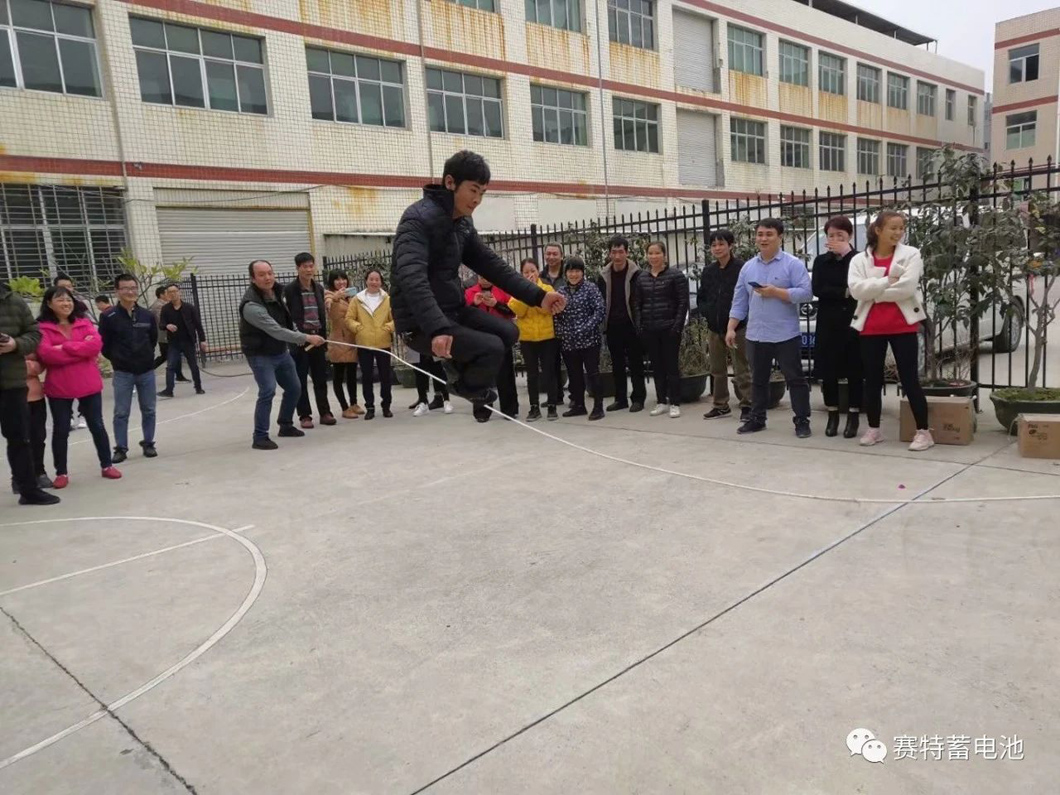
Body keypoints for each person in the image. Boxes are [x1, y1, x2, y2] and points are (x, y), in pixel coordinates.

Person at [390, 150, 564, 424]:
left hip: (453, 310)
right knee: (490, 347)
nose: (477, 200)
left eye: (482, 193)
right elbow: (412, 278)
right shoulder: (417, 220)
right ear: (450, 182)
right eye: (473, 190)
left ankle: (460, 375)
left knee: (508, 331)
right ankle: (464, 386)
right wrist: (437, 329)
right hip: (420, 323)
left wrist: (539, 296)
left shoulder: (462, 224)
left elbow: (492, 265)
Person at [848, 210, 934, 451]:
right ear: (878, 230)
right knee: (872, 380)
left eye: (901, 228)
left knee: (909, 379)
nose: (898, 232)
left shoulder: (911, 254)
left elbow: (907, 288)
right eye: (893, 228)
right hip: (870, 327)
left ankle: (924, 432)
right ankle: (874, 429)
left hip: (902, 325)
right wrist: (887, 281)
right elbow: (856, 290)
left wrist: (873, 292)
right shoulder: (859, 260)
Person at [727, 218, 814, 438]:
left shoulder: (792, 264)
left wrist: (777, 292)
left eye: (769, 234)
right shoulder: (748, 267)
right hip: (756, 334)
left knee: (795, 379)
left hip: (785, 334)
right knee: (758, 379)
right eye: (760, 234)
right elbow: (739, 300)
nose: (763, 238)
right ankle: (757, 419)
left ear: (780, 237)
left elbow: (806, 293)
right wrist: (731, 327)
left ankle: (802, 420)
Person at [36, 286, 122, 486]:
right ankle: (61, 473)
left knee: (97, 425)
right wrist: (80, 349)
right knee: (61, 430)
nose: (66, 303)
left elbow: (95, 346)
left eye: (68, 299)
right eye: (60, 300)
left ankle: (107, 465)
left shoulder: (83, 322)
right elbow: (47, 355)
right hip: (60, 387)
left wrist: (65, 347)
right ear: (49, 304)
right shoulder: (42, 328)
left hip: (88, 383)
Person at [240, 260, 325, 450]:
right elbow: (276, 330)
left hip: (280, 351)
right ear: (252, 278)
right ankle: (260, 436)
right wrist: (306, 337)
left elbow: (287, 321)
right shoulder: (251, 305)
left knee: (295, 388)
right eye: (261, 274)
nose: (267, 277)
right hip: (260, 355)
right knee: (268, 391)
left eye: (270, 273)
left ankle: (285, 424)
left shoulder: (278, 293)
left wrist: (298, 334)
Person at [1, 280, 59, 505]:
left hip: (12, 384)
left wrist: (15, 344)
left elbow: (34, 334)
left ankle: (28, 489)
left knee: (20, 438)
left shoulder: (14, 302)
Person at [812, 216, 864, 439]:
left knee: (854, 370)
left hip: (853, 321)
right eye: (831, 235)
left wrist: (847, 255)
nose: (834, 239)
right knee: (829, 372)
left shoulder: (859, 259)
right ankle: (832, 414)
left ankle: (853, 415)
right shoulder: (821, 261)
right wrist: (843, 292)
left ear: (849, 236)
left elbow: (860, 287)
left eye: (839, 236)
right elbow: (818, 288)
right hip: (828, 321)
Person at [99, 273, 159, 463]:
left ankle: (148, 443)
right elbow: (104, 345)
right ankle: (121, 448)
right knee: (121, 412)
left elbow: (153, 339)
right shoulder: (108, 316)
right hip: (123, 372)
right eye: (125, 288)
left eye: (133, 288)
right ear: (117, 291)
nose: (130, 292)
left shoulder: (147, 315)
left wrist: (145, 356)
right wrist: (118, 359)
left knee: (149, 409)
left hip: (146, 371)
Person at [699, 229, 751, 422]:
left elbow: (748, 296)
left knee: (742, 368)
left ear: (731, 245)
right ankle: (720, 405)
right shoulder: (708, 271)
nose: (717, 248)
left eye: (721, 244)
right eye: (714, 245)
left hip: (738, 327)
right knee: (717, 369)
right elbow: (702, 297)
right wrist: (708, 312)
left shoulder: (741, 268)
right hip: (715, 328)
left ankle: (747, 404)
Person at [635, 241, 689, 418]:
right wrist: (640, 325)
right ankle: (661, 401)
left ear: (664, 255)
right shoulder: (642, 278)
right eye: (650, 253)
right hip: (650, 328)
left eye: (657, 253)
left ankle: (675, 402)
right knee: (656, 367)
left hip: (669, 328)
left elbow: (683, 302)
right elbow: (637, 303)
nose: (654, 256)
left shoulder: (675, 275)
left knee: (671, 366)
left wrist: (677, 325)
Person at [284, 253, 335, 428]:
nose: (308, 270)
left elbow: (322, 315)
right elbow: (287, 317)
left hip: (318, 339)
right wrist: (297, 337)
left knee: (320, 378)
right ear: (297, 268)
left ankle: (325, 412)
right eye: (304, 266)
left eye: (311, 266)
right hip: (300, 339)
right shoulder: (290, 290)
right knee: (300, 380)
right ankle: (305, 415)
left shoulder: (318, 288)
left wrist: (323, 338)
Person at [597, 235, 646, 413]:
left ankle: (638, 398)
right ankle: (620, 399)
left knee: (636, 363)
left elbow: (642, 300)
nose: (617, 256)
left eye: (620, 252)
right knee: (617, 364)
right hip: (612, 325)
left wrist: (640, 323)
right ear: (609, 254)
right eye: (614, 252)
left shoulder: (637, 274)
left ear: (627, 253)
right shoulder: (603, 275)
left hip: (632, 324)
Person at [554, 257, 606, 420]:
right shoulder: (561, 292)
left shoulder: (590, 288)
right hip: (569, 342)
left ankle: (598, 407)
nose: (573, 274)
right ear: (566, 273)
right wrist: (562, 332)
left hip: (589, 340)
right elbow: (555, 314)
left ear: (582, 272)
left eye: (577, 271)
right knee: (574, 375)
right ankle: (579, 405)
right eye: (570, 271)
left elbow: (600, 310)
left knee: (593, 373)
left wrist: (586, 327)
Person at [509, 258, 561, 421]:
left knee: (549, 372)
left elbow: (548, 310)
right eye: (526, 272)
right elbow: (518, 310)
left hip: (547, 337)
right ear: (521, 274)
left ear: (538, 271)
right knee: (531, 374)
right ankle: (534, 407)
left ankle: (552, 406)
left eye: (532, 271)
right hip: (528, 338)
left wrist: (536, 292)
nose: (530, 274)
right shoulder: (518, 291)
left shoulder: (546, 288)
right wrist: (527, 294)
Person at [464, 275, 519, 418]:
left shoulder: (502, 291)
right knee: (480, 375)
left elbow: (513, 311)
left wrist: (496, 304)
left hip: (502, 337)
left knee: (505, 374)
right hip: (479, 339)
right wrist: (475, 304)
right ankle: (482, 411)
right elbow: (463, 316)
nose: (484, 278)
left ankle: (510, 409)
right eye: (480, 275)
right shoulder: (470, 292)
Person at [345, 268, 395, 421]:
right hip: (364, 343)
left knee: (385, 376)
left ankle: (386, 406)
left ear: (381, 282)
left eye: (377, 279)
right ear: (366, 281)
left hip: (383, 342)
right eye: (371, 279)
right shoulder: (357, 300)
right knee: (366, 376)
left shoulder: (387, 299)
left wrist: (388, 328)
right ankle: (370, 407)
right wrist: (358, 328)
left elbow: (395, 318)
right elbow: (349, 319)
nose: (374, 282)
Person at [323, 270, 363, 419]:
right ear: (332, 282)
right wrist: (335, 299)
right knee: (339, 376)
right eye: (337, 280)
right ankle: (344, 407)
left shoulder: (351, 296)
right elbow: (332, 314)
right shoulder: (329, 295)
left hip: (352, 339)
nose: (341, 282)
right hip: (339, 341)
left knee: (352, 375)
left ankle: (354, 403)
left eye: (343, 279)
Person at [158, 284, 206, 397]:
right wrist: (167, 326)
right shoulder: (165, 309)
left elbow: (198, 324)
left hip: (188, 341)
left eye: (175, 291)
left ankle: (198, 387)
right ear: (167, 294)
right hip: (173, 342)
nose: (173, 294)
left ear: (180, 292)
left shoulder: (189, 308)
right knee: (170, 366)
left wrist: (202, 340)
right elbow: (161, 324)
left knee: (193, 365)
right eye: (170, 292)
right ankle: (169, 390)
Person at [539, 242, 567, 406]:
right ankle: (555, 396)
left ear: (561, 256)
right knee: (551, 363)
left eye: (555, 254)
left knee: (571, 361)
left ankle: (575, 396)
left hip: (567, 324)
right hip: (547, 326)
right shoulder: (540, 277)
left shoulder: (568, 274)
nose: (551, 257)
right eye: (548, 253)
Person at [24, 354, 54, 490]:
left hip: (35, 396)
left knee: (38, 437)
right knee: (19, 439)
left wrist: (28, 365)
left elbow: (41, 362)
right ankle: (19, 477)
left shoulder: (30, 342)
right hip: (12, 396)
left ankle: (40, 472)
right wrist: (29, 363)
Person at [151, 285, 186, 380]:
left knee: (170, 355)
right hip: (164, 335)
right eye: (168, 293)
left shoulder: (165, 304)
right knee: (167, 355)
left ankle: (179, 375)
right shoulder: (159, 306)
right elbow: (162, 321)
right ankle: (148, 370)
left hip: (169, 335)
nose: (170, 295)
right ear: (161, 295)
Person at [409, 351, 453, 416]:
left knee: (438, 370)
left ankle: (446, 400)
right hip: (417, 347)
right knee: (419, 372)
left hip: (432, 346)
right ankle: (423, 402)